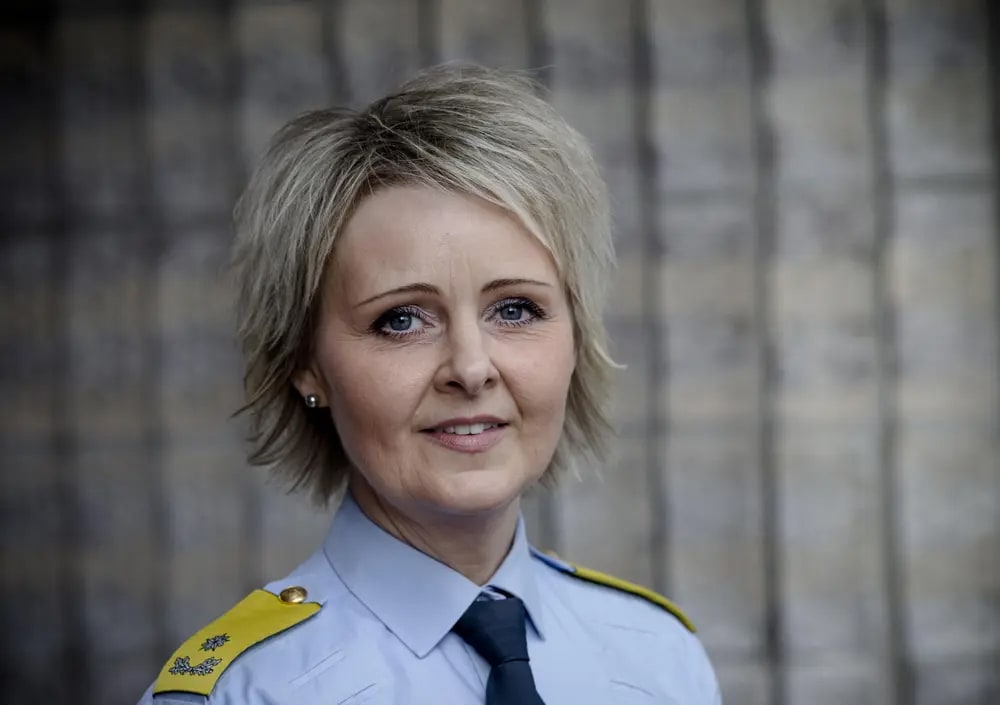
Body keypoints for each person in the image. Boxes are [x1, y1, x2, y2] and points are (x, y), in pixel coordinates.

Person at [138, 63, 720, 705]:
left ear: (576, 337)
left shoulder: (659, 659)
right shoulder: (245, 693)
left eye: (515, 309)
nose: (470, 368)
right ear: (306, 363)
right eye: (401, 320)